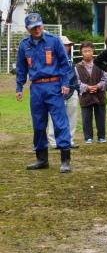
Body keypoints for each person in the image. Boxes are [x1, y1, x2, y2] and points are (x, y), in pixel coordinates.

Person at [15, 13, 73, 173]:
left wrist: (65, 83)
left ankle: (65, 160)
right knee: (38, 125)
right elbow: (21, 68)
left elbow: (64, 63)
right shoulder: (24, 45)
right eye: (33, 27)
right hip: (36, 89)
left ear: (42, 25)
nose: (37, 29)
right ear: (28, 29)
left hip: (54, 86)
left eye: (39, 26)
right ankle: (42, 159)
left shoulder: (54, 41)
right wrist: (19, 87)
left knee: (60, 123)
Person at [48, 35, 79, 149]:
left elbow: (74, 76)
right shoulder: (52, 59)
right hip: (56, 91)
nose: (67, 47)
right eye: (64, 45)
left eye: (68, 45)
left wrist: (76, 89)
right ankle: (54, 141)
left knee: (72, 116)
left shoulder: (70, 60)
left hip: (72, 91)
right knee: (54, 117)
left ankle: (69, 140)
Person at [75, 41, 107, 144]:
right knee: (86, 118)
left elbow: (105, 78)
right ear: (81, 52)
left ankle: (101, 136)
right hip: (85, 96)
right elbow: (76, 81)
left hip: (99, 95)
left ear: (93, 51)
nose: (87, 53)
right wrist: (87, 87)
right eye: (85, 51)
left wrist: (98, 86)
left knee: (101, 117)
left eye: (89, 51)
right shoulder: (77, 67)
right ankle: (88, 137)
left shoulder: (100, 64)